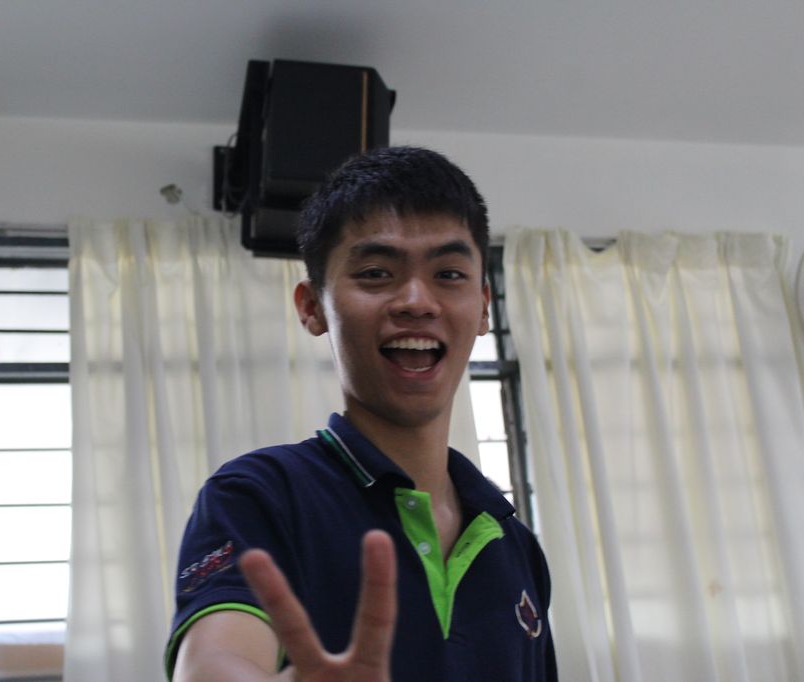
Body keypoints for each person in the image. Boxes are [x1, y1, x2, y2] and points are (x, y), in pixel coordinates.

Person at [166, 146, 557, 681]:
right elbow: (214, 662)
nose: (417, 301)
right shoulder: (258, 495)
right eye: (375, 273)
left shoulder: (514, 543)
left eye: (448, 274)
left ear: (485, 306)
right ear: (312, 307)